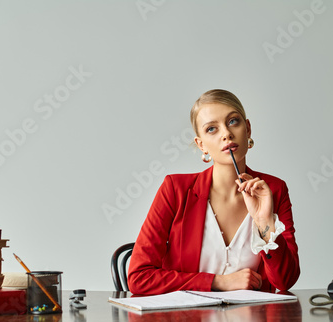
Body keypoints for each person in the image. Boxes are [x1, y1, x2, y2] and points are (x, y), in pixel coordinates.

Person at [128, 89, 299, 295]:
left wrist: (264, 223)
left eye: (233, 121)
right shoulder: (175, 189)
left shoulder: (273, 189)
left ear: (248, 129)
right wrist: (218, 282)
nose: (226, 134)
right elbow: (139, 278)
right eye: (211, 129)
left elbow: (285, 280)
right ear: (202, 145)